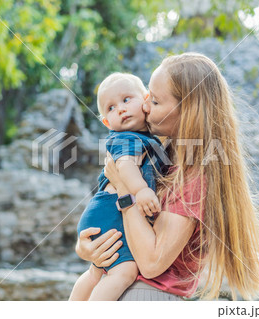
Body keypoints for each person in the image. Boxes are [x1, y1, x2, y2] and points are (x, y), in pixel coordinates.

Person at [75, 52, 259, 301]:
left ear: (187, 111)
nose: (144, 106)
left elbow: (150, 263)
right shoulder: (161, 156)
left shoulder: (193, 177)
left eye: (155, 101)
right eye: (147, 96)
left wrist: (125, 191)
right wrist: (88, 250)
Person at [69, 73, 167, 301]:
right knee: (125, 272)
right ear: (106, 122)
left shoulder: (147, 138)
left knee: (97, 271)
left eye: (126, 100)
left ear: (145, 99)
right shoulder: (127, 138)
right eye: (111, 108)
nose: (121, 109)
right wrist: (141, 190)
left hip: (102, 212)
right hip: (111, 213)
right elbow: (125, 165)